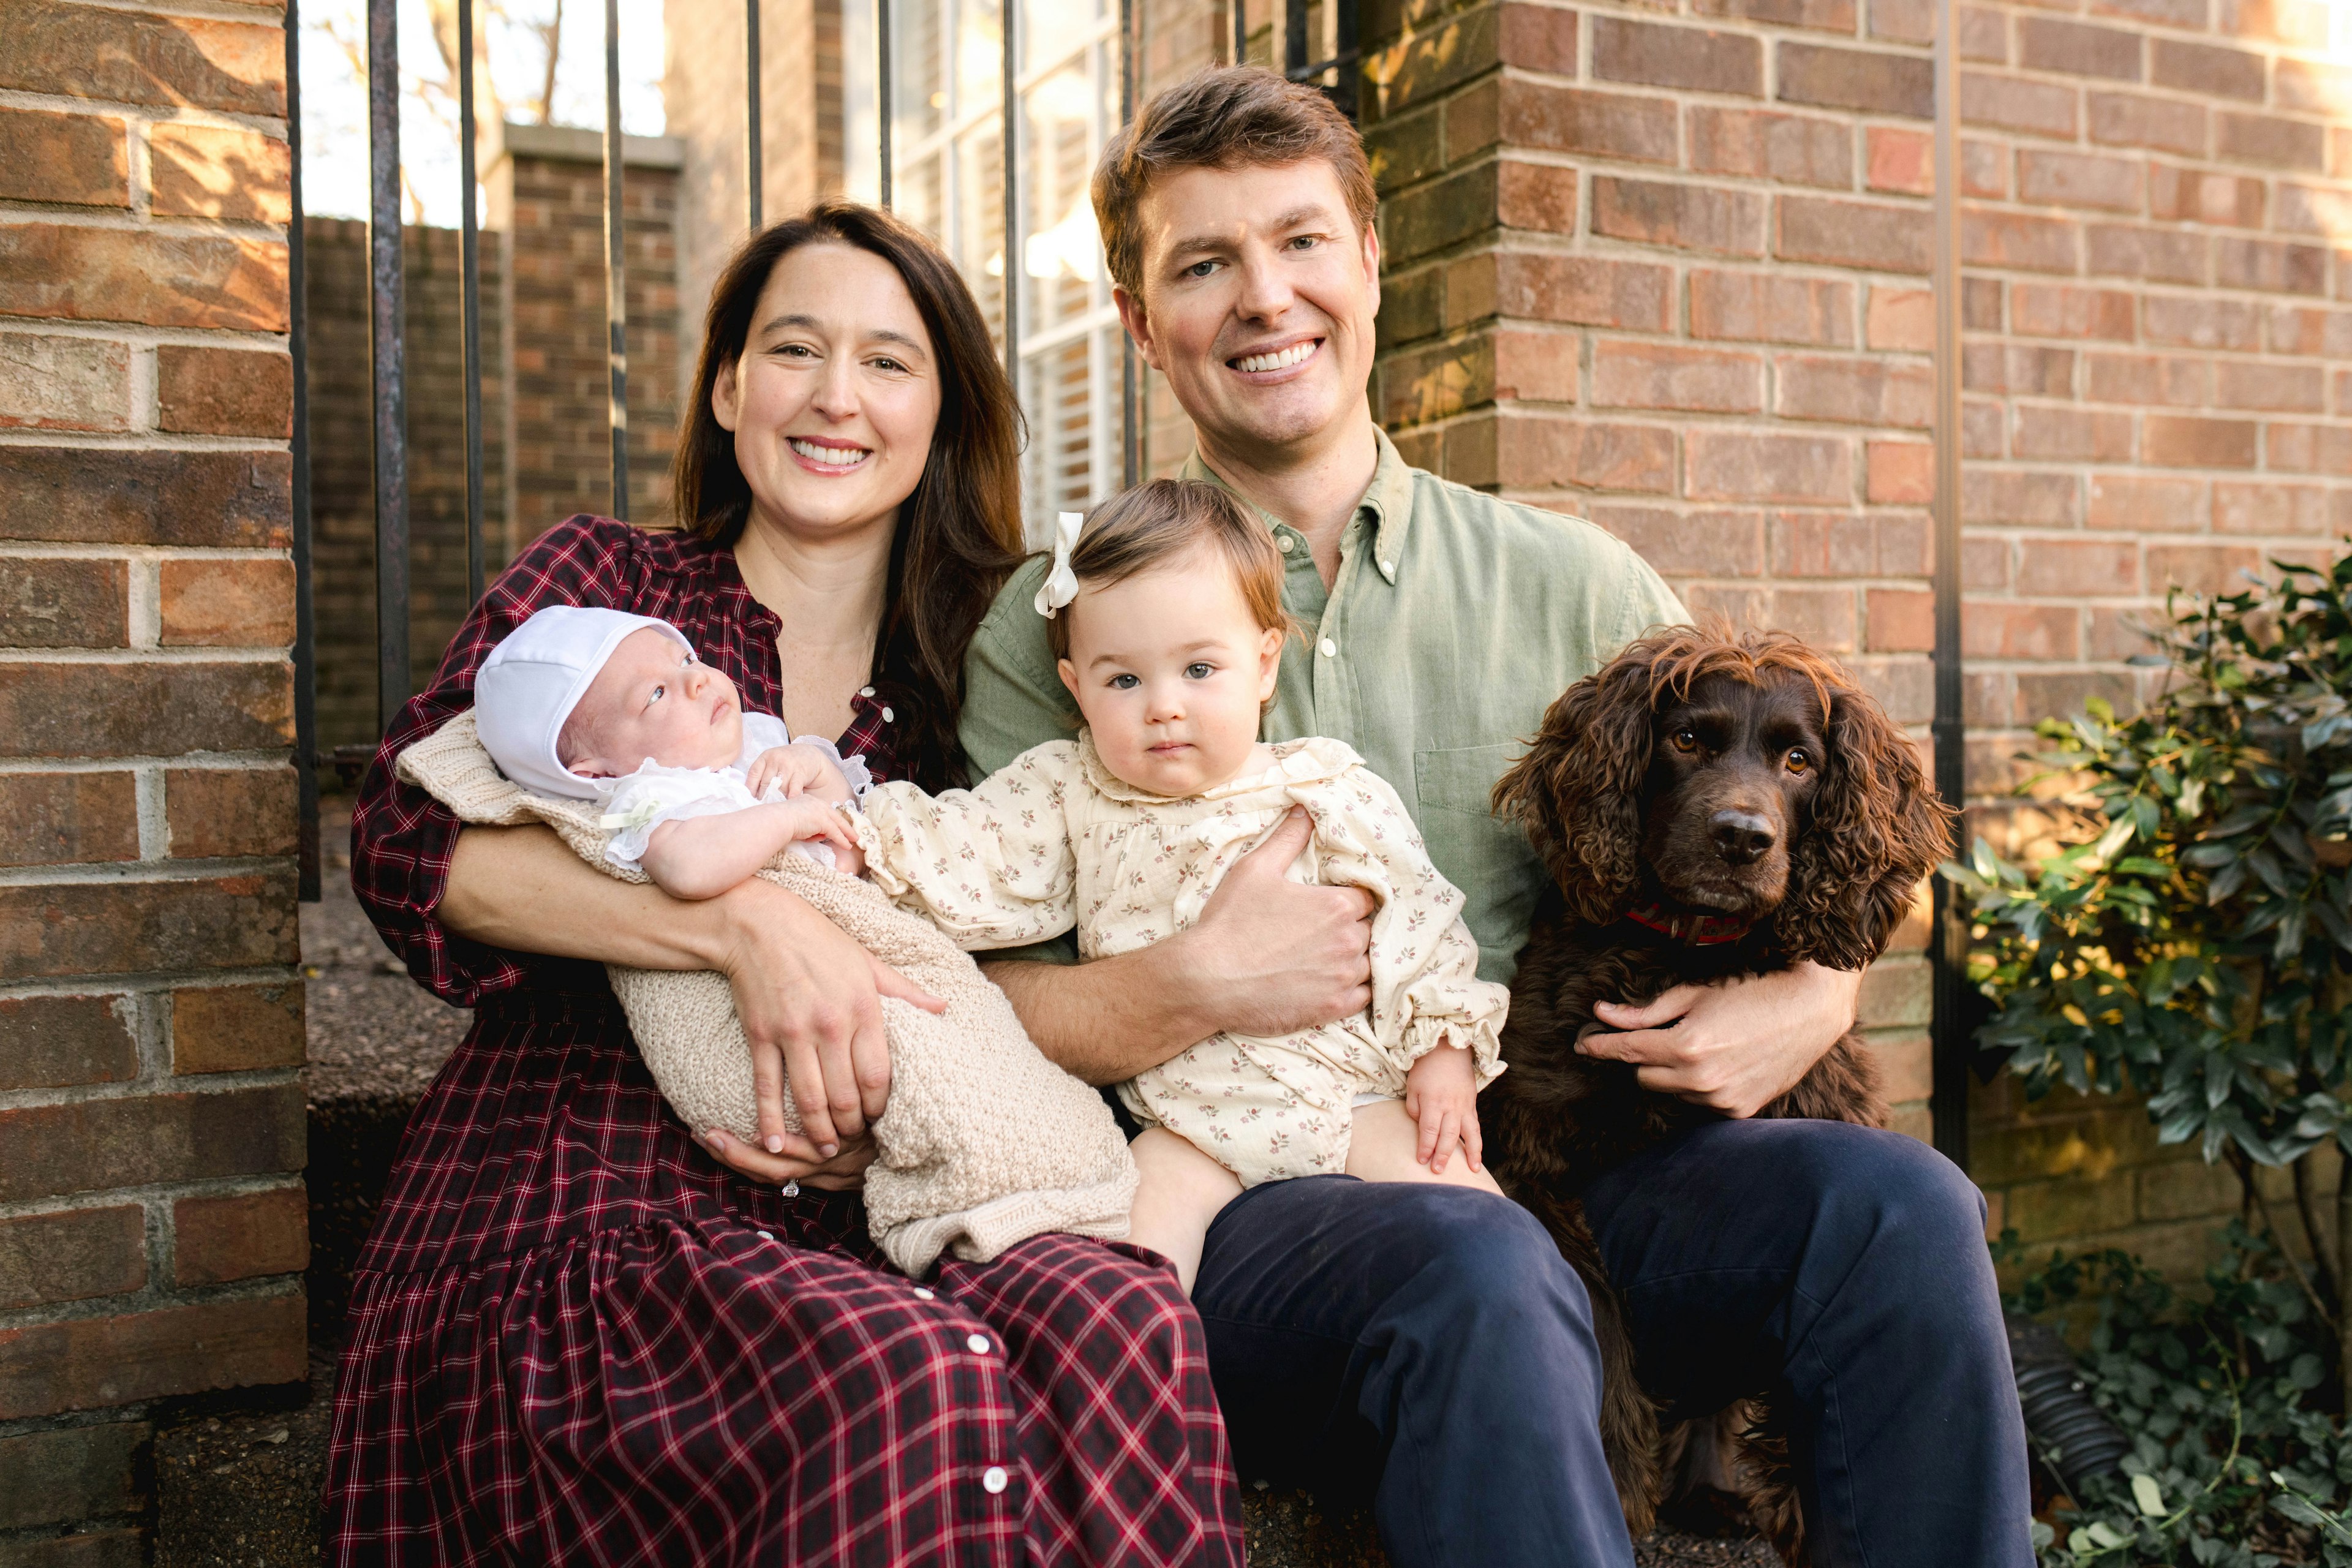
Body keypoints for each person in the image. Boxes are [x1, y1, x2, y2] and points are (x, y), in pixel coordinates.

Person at [959, 67, 2035, 1568]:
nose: (1266, 297)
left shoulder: (1576, 586)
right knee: (1478, 1257)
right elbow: (973, 1002)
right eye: (1204, 263)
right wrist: (1195, 982)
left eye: (1300, 243)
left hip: (1589, 1179)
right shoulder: (1063, 616)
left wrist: (1815, 990)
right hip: (1244, 1208)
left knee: (1898, 1205)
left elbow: (1800, 834)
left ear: (1371, 269)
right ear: (1144, 322)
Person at [328, 200, 1242, 1566]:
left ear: (945, 412)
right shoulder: (609, 594)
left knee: (1124, 1321)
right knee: (905, 1380)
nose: (834, 396)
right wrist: (743, 926)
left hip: (900, 1195)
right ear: (726, 385)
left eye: (889, 361)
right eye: (794, 347)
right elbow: (410, 836)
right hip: (590, 1179)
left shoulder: (985, 675)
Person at [853, 479, 1508, 1293]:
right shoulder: (1069, 793)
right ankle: (1153, 1412)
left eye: (1200, 669)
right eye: (1123, 681)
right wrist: (854, 835)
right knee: (1128, 1287)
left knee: (1493, 1233)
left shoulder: (1326, 788)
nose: (1165, 707)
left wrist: (1443, 1052)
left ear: (1265, 664)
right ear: (1075, 685)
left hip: (1344, 1098)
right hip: (1186, 1128)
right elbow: (968, 851)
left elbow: (1421, 920)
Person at [471, 606, 865, 891]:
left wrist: (817, 770)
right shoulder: (650, 800)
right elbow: (689, 869)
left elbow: (853, 833)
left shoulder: (756, 746)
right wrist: (788, 820)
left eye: (685, 659)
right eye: (656, 694)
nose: (695, 679)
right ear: (597, 773)